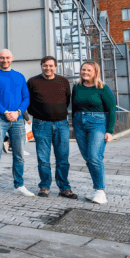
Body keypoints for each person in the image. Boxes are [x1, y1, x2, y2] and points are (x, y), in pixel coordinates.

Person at [0, 49, 34, 197]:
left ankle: (19, 185)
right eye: (2, 58)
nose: (5, 60)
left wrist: (18, 112)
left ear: (12, 58)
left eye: (7, 57)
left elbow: (26, 98)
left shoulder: (19, 76)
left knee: (19, 155)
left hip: (18, 120)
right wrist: (6, 112)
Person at [27, 56, 76, 199]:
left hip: (61, 124)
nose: (48, 68)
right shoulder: (33, 81)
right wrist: (37, 113)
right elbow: (27, 101)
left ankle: (64, 188)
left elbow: (67, 100)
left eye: (51, 66)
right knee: (43, 159)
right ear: (41, 66)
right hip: (41, 124)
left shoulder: (63, 81)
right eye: (45, 66)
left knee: (63, 158)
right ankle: (44, 187)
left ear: (55, 67)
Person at [72, 61, 116, 205]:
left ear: (95, 72)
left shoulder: (103, 88)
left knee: (94, 157)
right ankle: (96, 189)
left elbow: (112, 110)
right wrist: (74, 123)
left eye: (88, 70)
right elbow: (74, 107)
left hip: (97, 123)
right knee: (88, 158)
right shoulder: (77, 87)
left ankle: (101, 191)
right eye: (83, 69)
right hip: (79, 123)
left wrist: (109, 131)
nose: (85, 72)